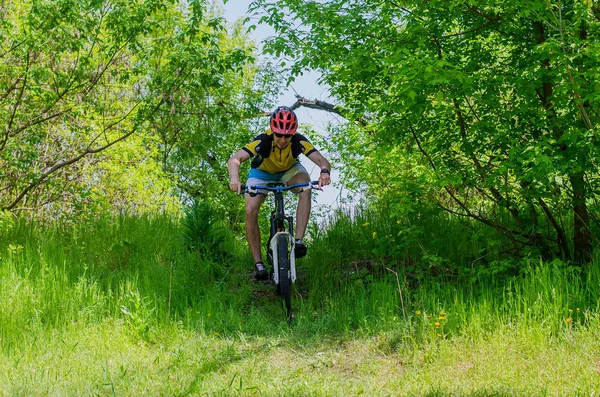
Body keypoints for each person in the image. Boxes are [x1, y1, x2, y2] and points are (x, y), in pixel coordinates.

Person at [227, 106, 331, 280]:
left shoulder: (298, 141)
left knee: (306, 188)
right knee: (250, 210)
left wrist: (324, 172)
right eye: (279, 135)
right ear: (273, 131)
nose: (283, 140)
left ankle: (298, 241)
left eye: (287, 136)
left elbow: (321, 160)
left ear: (293, 133)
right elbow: (235, 159)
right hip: (261, 173)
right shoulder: (263, 140)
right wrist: (235, 179)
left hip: (289, 171)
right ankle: (258, 264)